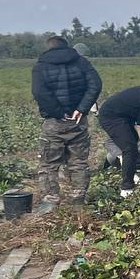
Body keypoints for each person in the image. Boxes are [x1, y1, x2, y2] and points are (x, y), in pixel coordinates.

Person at [30, 36, 102, 213]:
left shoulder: (41, 67)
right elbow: (95, 84)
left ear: (49, 47)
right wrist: (81, 109)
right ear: (67, 46)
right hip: (78, 120)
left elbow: (39, 93)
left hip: (54, 122)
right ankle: (78, 200)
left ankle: (51, 200)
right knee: (79, 163)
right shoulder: (81, 62)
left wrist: (58, 112)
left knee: (49, 164)